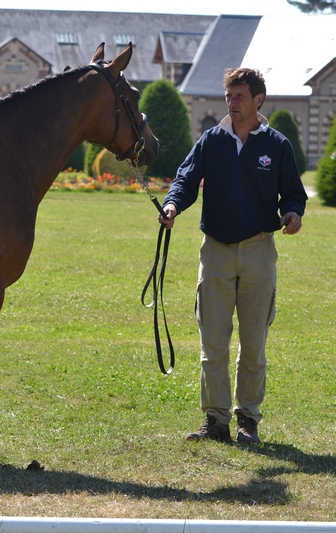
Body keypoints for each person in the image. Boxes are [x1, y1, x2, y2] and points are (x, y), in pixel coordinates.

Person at [159, 68, 307, 444]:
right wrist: (173, 205)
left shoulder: (277, 145)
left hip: (259, 251)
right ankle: (216, 421)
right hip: (216, 252)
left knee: (253, 344)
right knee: (213, 344)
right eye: (228, 95)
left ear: (258, 100)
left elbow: (293, 193)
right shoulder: (212, 140)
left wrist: (293, 213)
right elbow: (185, 179)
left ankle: (248, 421)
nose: (231, 102)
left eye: (239, 96)